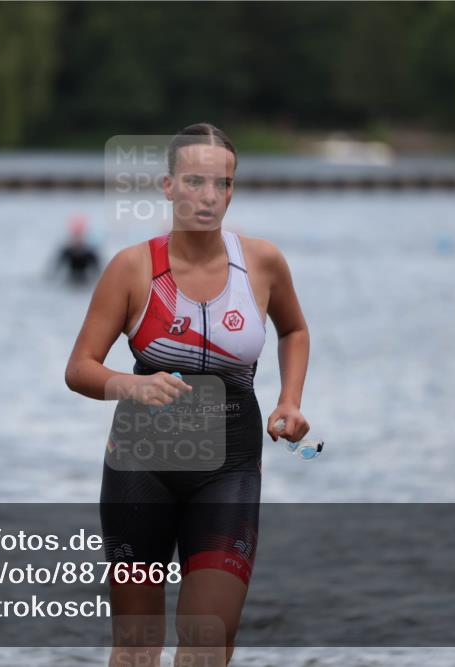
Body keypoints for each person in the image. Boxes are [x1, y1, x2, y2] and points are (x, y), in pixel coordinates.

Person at [64, 123, 310, 666]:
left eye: (221, 184)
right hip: (140, 465)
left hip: (230, 465)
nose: (208, 196)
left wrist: (289, 400)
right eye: (195, 182)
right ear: (168, 186)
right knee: (136, 648)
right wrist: (128, 384)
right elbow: (79, 368)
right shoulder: (132, 268)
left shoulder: (261, 263)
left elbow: (293, 330)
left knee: (208, 641)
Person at [52, 214, 101, 286]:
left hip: (85, 281)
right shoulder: (67, 251)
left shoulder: (90, 253)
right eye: (76, 235)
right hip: (70, 280)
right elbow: (55, 271)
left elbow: (98, 272)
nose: (78, 239)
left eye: (80, 235)